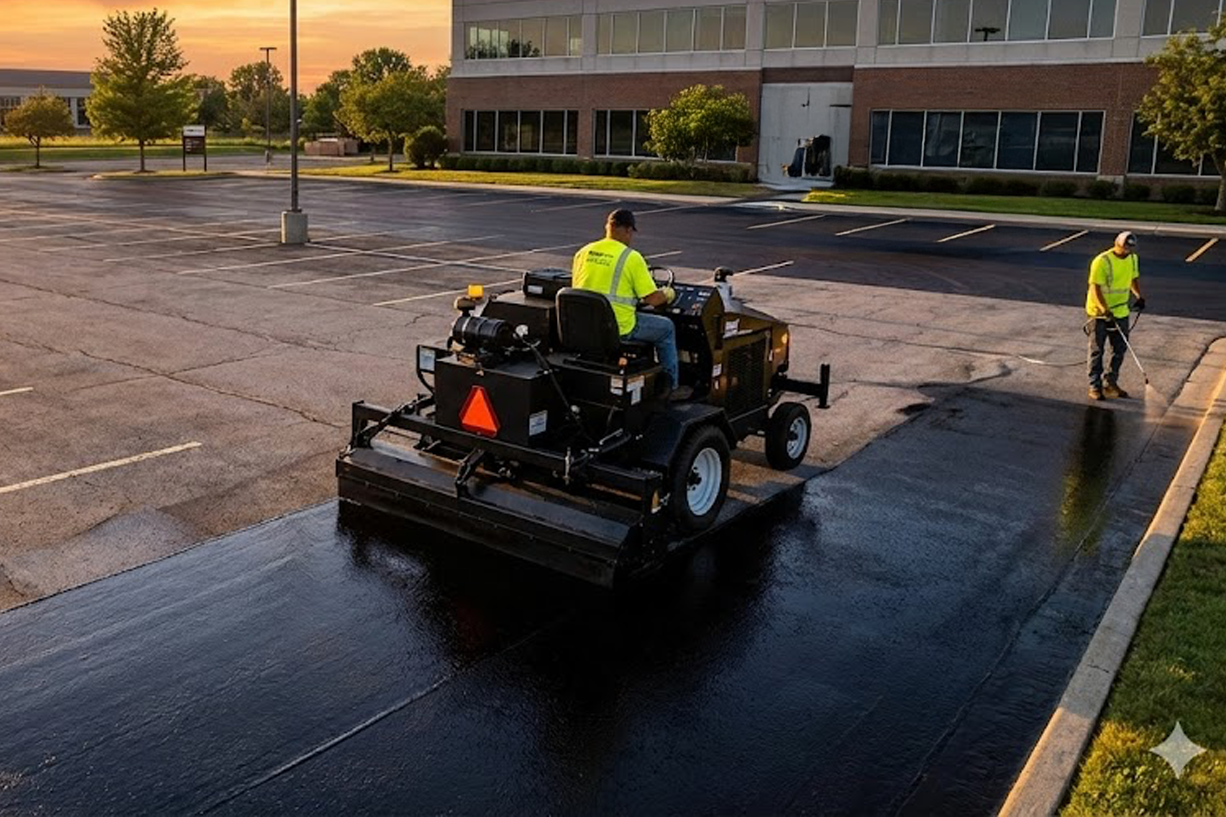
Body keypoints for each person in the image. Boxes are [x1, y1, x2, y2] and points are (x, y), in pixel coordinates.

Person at [572, 209, 690, 400]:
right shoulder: (631, 258)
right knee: (666, 328)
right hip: (620, 328)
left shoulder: (583, 252)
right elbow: (653, 299)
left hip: (587, 327)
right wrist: (669, 293)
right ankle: (671, 387)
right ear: (627, 230)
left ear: (608, 227)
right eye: (631, 233)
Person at [1085, 230, 1145, 401]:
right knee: (1097, 350)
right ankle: (1094, 386)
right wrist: (1104, 309)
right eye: (1124, 248)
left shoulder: (1133, 259)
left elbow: (1133, 279)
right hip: (1098, 313)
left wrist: (1139, 296)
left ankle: (1110, 382)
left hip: (1120, 311)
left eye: (1130, 249)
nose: (1127, 251)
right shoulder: (1102, 261)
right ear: (1117, 244)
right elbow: (1095, 288)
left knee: (1119, 349)